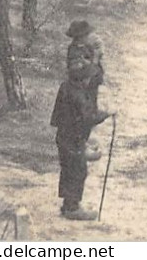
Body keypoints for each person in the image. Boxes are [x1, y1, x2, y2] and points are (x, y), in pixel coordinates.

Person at [50, 72, 113, 220]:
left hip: (65, 136)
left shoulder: (66, 86)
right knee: (78, 171)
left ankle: (67, 205)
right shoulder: (79, 95)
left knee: (68, 169)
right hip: (73, 140)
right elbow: (88, 118)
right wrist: (106, 114)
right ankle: (72, 208)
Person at [66, 20, 105, 160]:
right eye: (87, 34)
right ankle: (80, 147)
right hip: (82, 89)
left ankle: (84, 143)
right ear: (80, 36)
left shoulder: (86, 47)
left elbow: (96, 66)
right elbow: (81, 72)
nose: (90, 36)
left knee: (89, 113)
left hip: (90, 87)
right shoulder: (74, 51)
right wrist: (93, 60)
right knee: (83, 118)